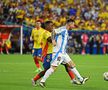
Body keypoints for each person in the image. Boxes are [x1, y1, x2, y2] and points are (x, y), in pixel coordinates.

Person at [39, 19, 89, 87]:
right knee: (53, 68)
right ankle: (42, 81)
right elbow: (53, 31)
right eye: (73, 25)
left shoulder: (65, 31)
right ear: (69, 24)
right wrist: (53, 40)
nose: (73, 26)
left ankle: (81, 79)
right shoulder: (62, 29)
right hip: (58, 53)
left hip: (63, 53)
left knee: (72, 65)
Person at [32, 21, 80, 86]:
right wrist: (58, 38)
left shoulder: (52, 32)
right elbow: (49, 39)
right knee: (48, 69)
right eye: (51, 26)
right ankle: (35, 79)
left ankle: (73, 79)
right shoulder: (46, 33)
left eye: (53, 25)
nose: (53, 27)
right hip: (48, 54)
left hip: (56, 53)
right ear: (47, 27)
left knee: (67, 64)